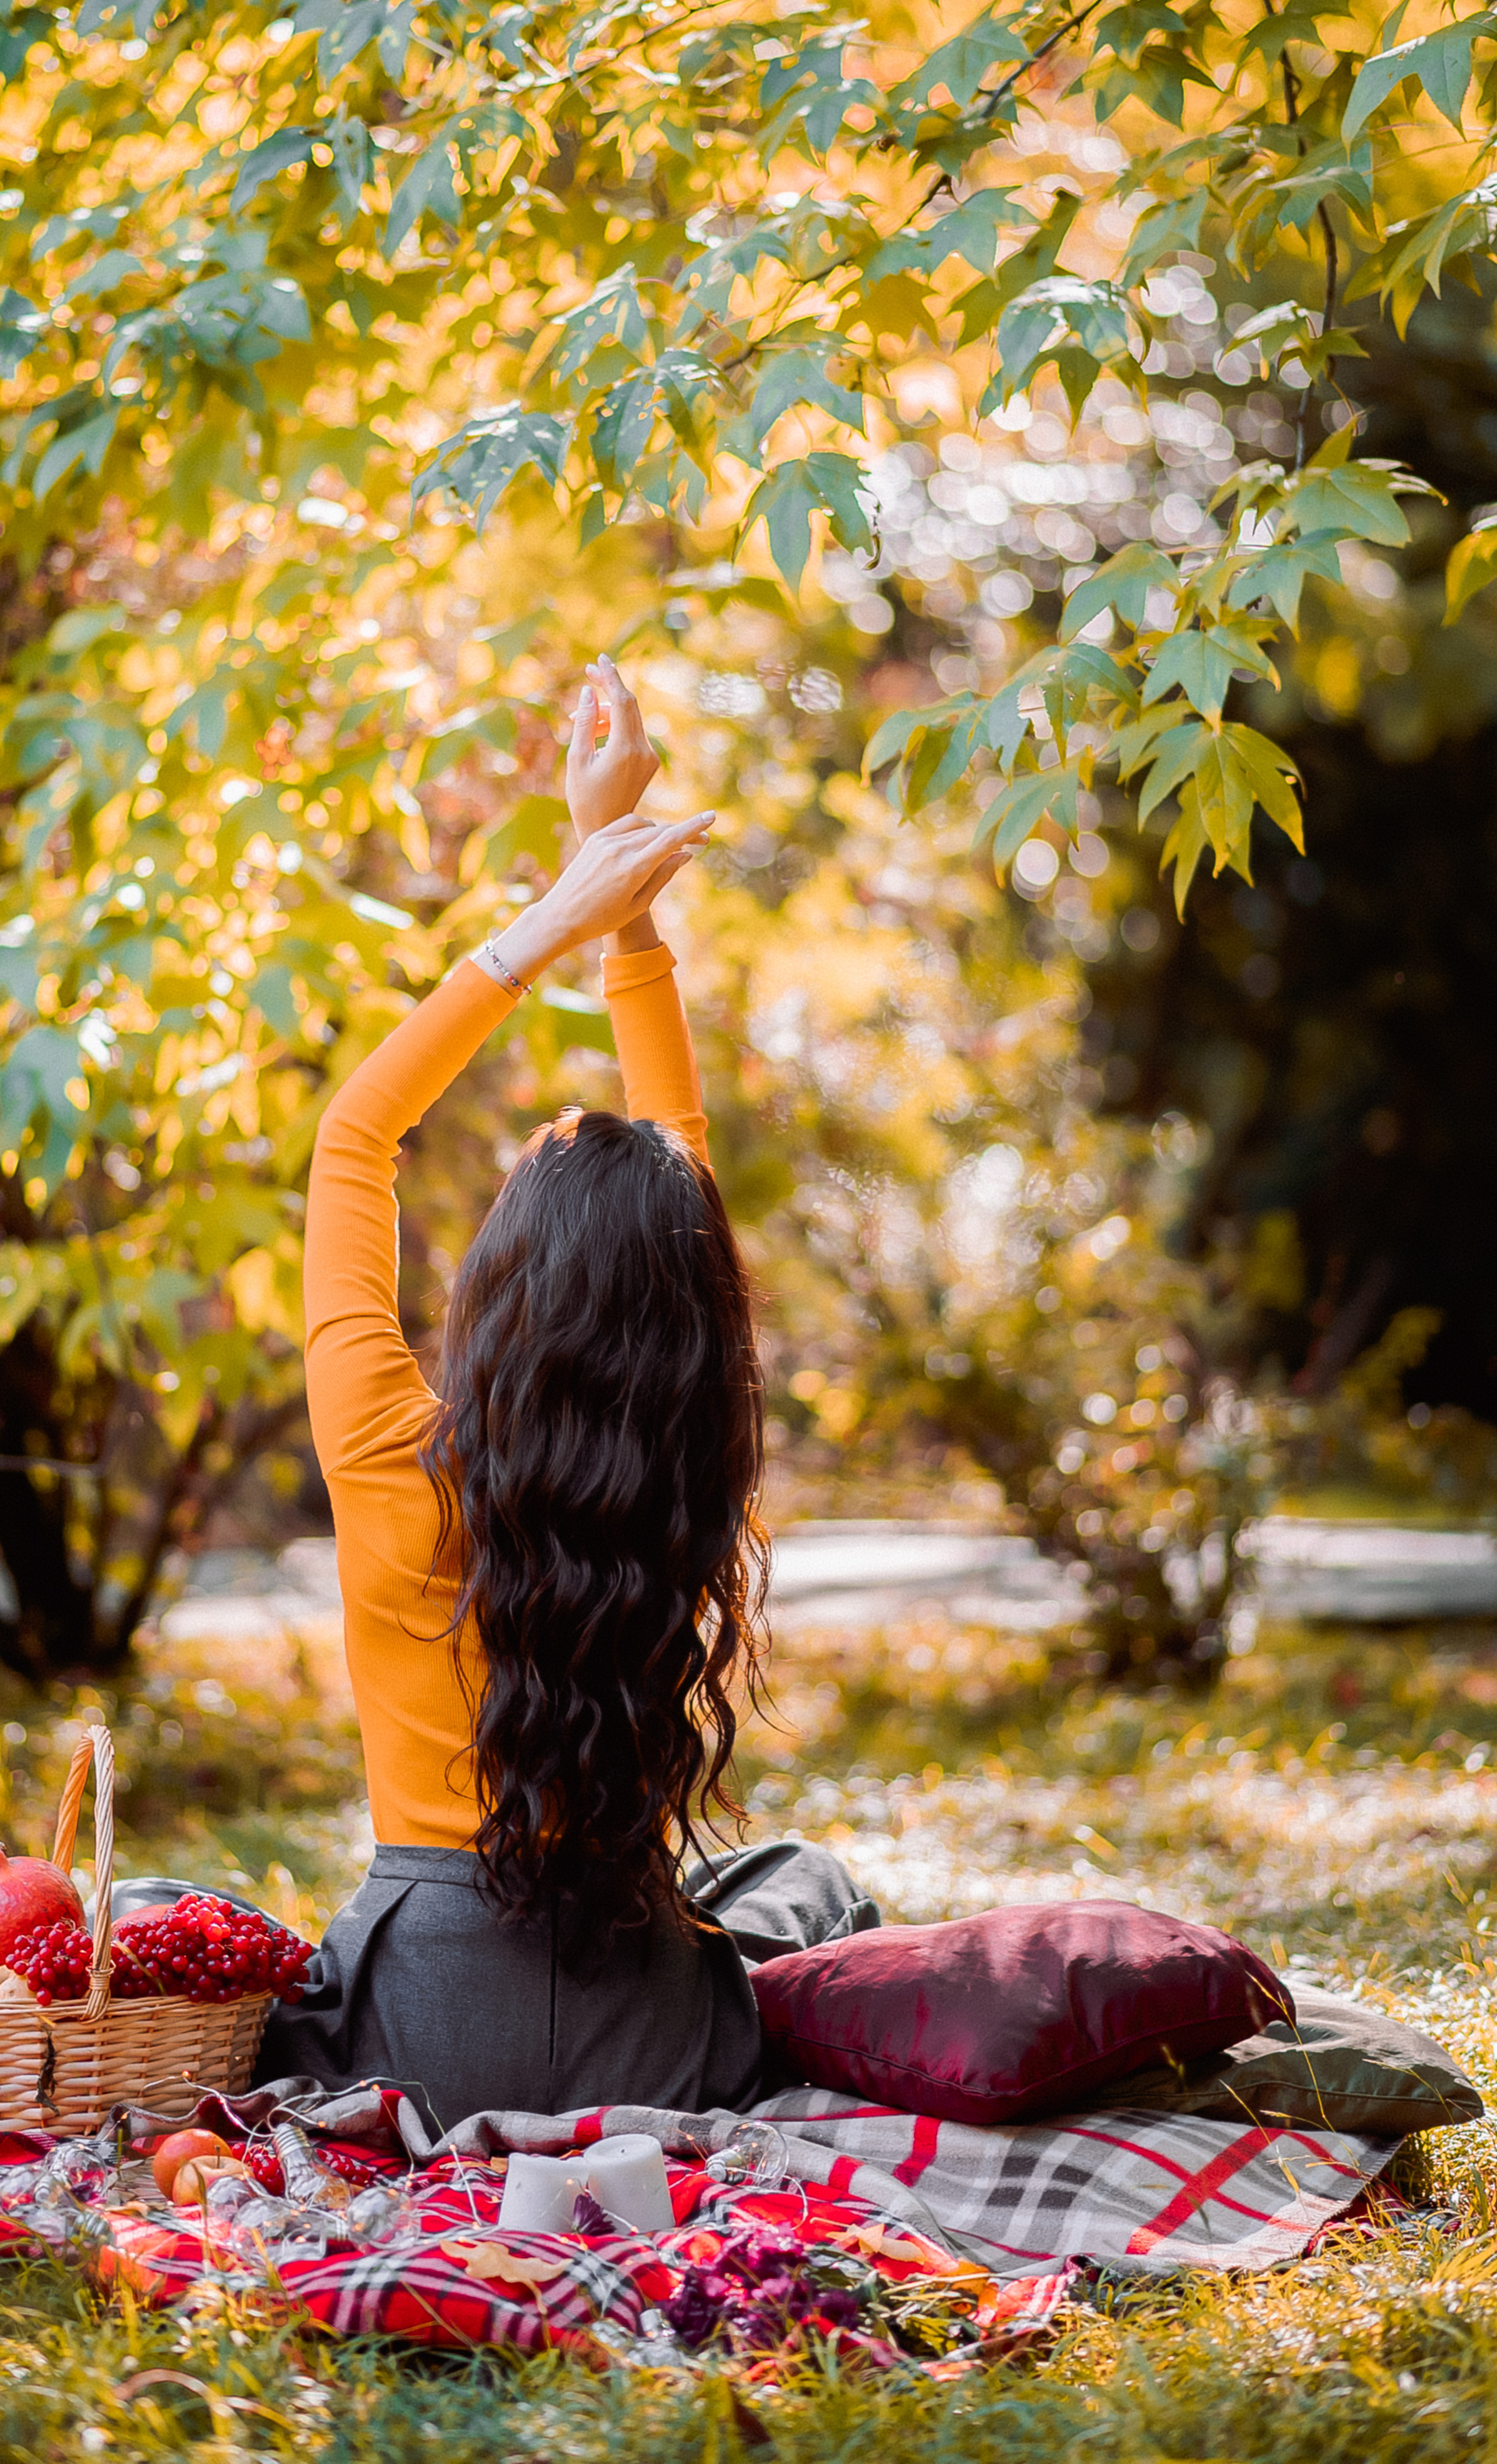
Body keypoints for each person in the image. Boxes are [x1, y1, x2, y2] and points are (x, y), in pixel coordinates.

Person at [245, 662, 877, 2133]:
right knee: (806, 1889)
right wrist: (625, 906)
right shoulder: (684, 1460)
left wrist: (553, 920)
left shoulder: (388, 1459)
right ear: (690, 1324)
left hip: (412, 2029)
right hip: (648, 2029)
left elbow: (354, 1140)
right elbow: (679, 1176)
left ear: (501, 1280)